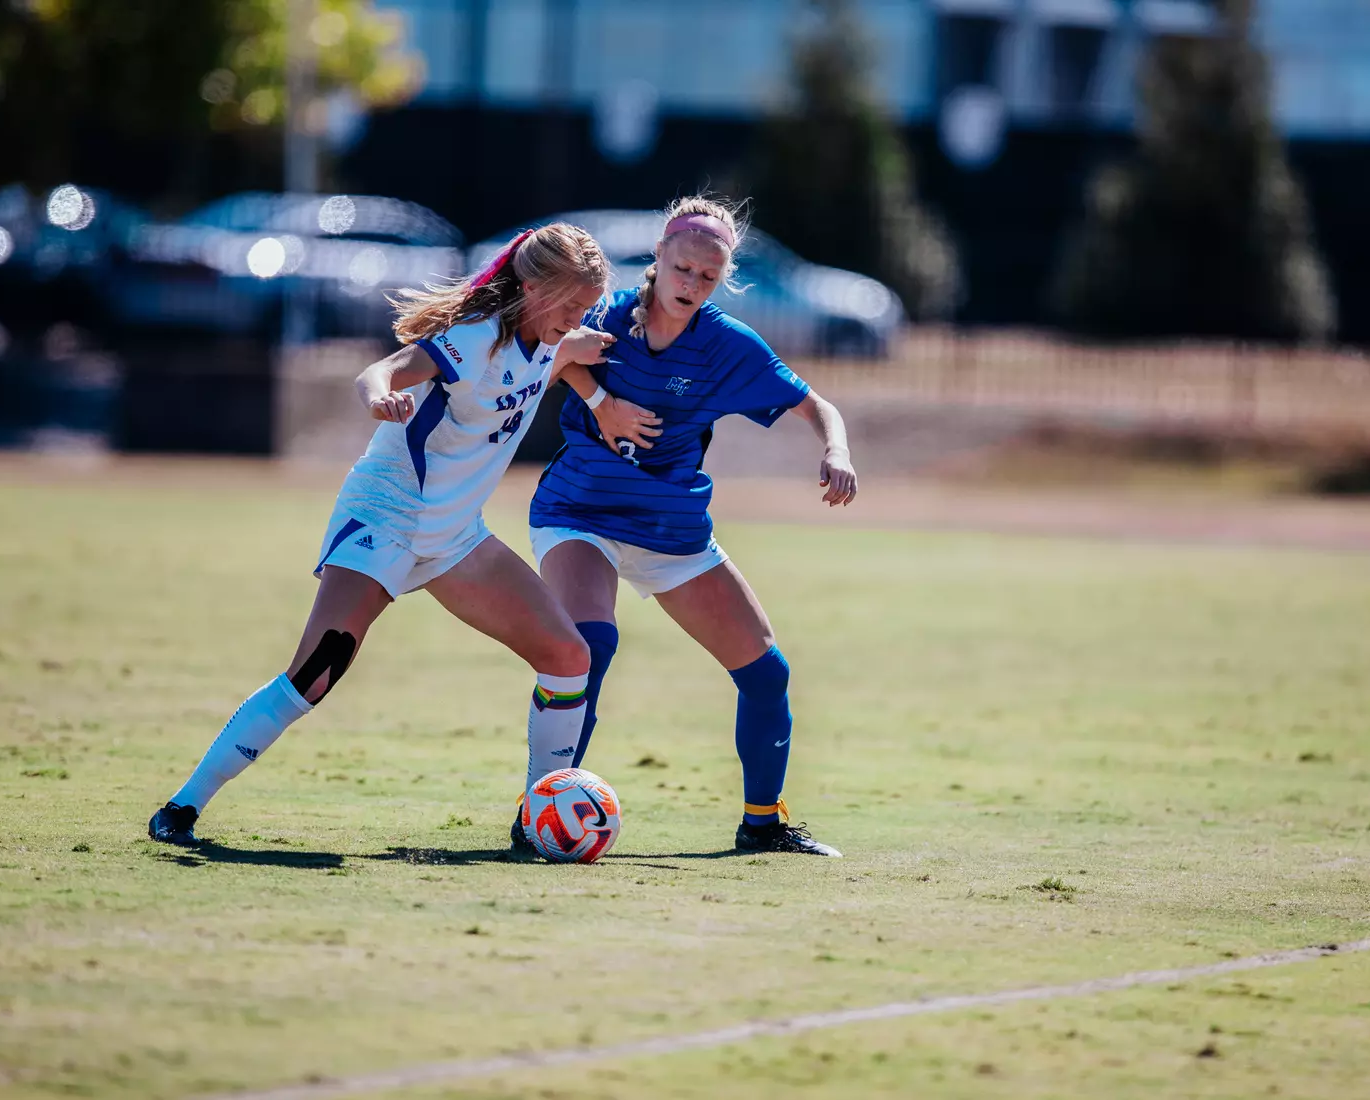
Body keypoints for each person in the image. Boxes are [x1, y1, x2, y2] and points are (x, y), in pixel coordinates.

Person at [147, 223, 651, 844]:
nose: (579, 318)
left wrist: (600, 399)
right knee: (313, 675)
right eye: (571, 304)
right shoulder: (473, 338)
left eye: (587, 306)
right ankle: (182, 807)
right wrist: (381, 398)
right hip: (387, 516)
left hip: (455, 537)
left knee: (569, 658)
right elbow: (380, 372)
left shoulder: (551, 337)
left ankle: (535, 820)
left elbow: (562, 358)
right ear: (531, 288)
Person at [519, 196, 859, 857]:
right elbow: (541, 356)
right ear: (659, 256)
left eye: (708, 275)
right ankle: (537, 813)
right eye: (683, 268)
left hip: (672, 530)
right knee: (589, 648)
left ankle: (763, 824)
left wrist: (836, 450)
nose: (692, 284)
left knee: (767, 673)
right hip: (580, 512)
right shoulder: (604, 314)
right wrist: (601, 400)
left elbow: (817, 406)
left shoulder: (728, 346)